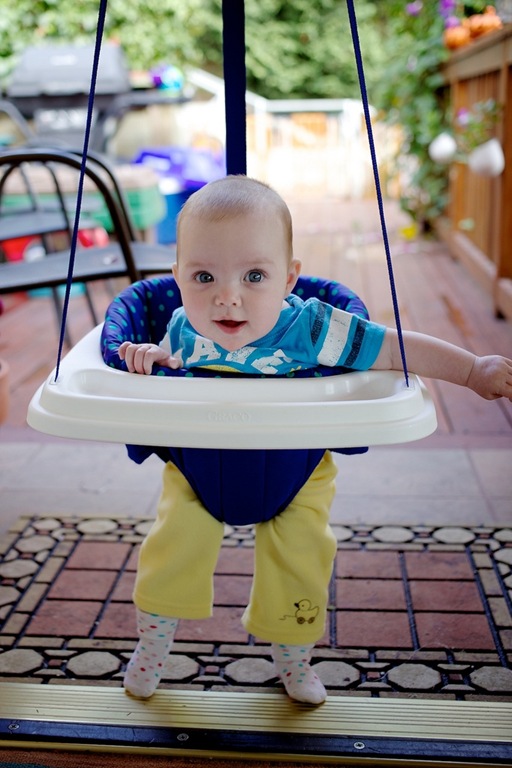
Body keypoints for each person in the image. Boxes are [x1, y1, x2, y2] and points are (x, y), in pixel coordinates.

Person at [119, 175, 512, 705]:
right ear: (178, 278)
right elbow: (167, 359)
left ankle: (294, 660)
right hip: (198, 465)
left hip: (296, 467)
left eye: (255, 276)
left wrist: (471, 370)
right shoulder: (182, 326)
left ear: (289, 279)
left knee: (301, 559)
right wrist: (150, 356)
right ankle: (151, 649)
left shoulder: (311, 329)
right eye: (204, 276)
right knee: (170, 549)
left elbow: (392, 348)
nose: (227, 296)